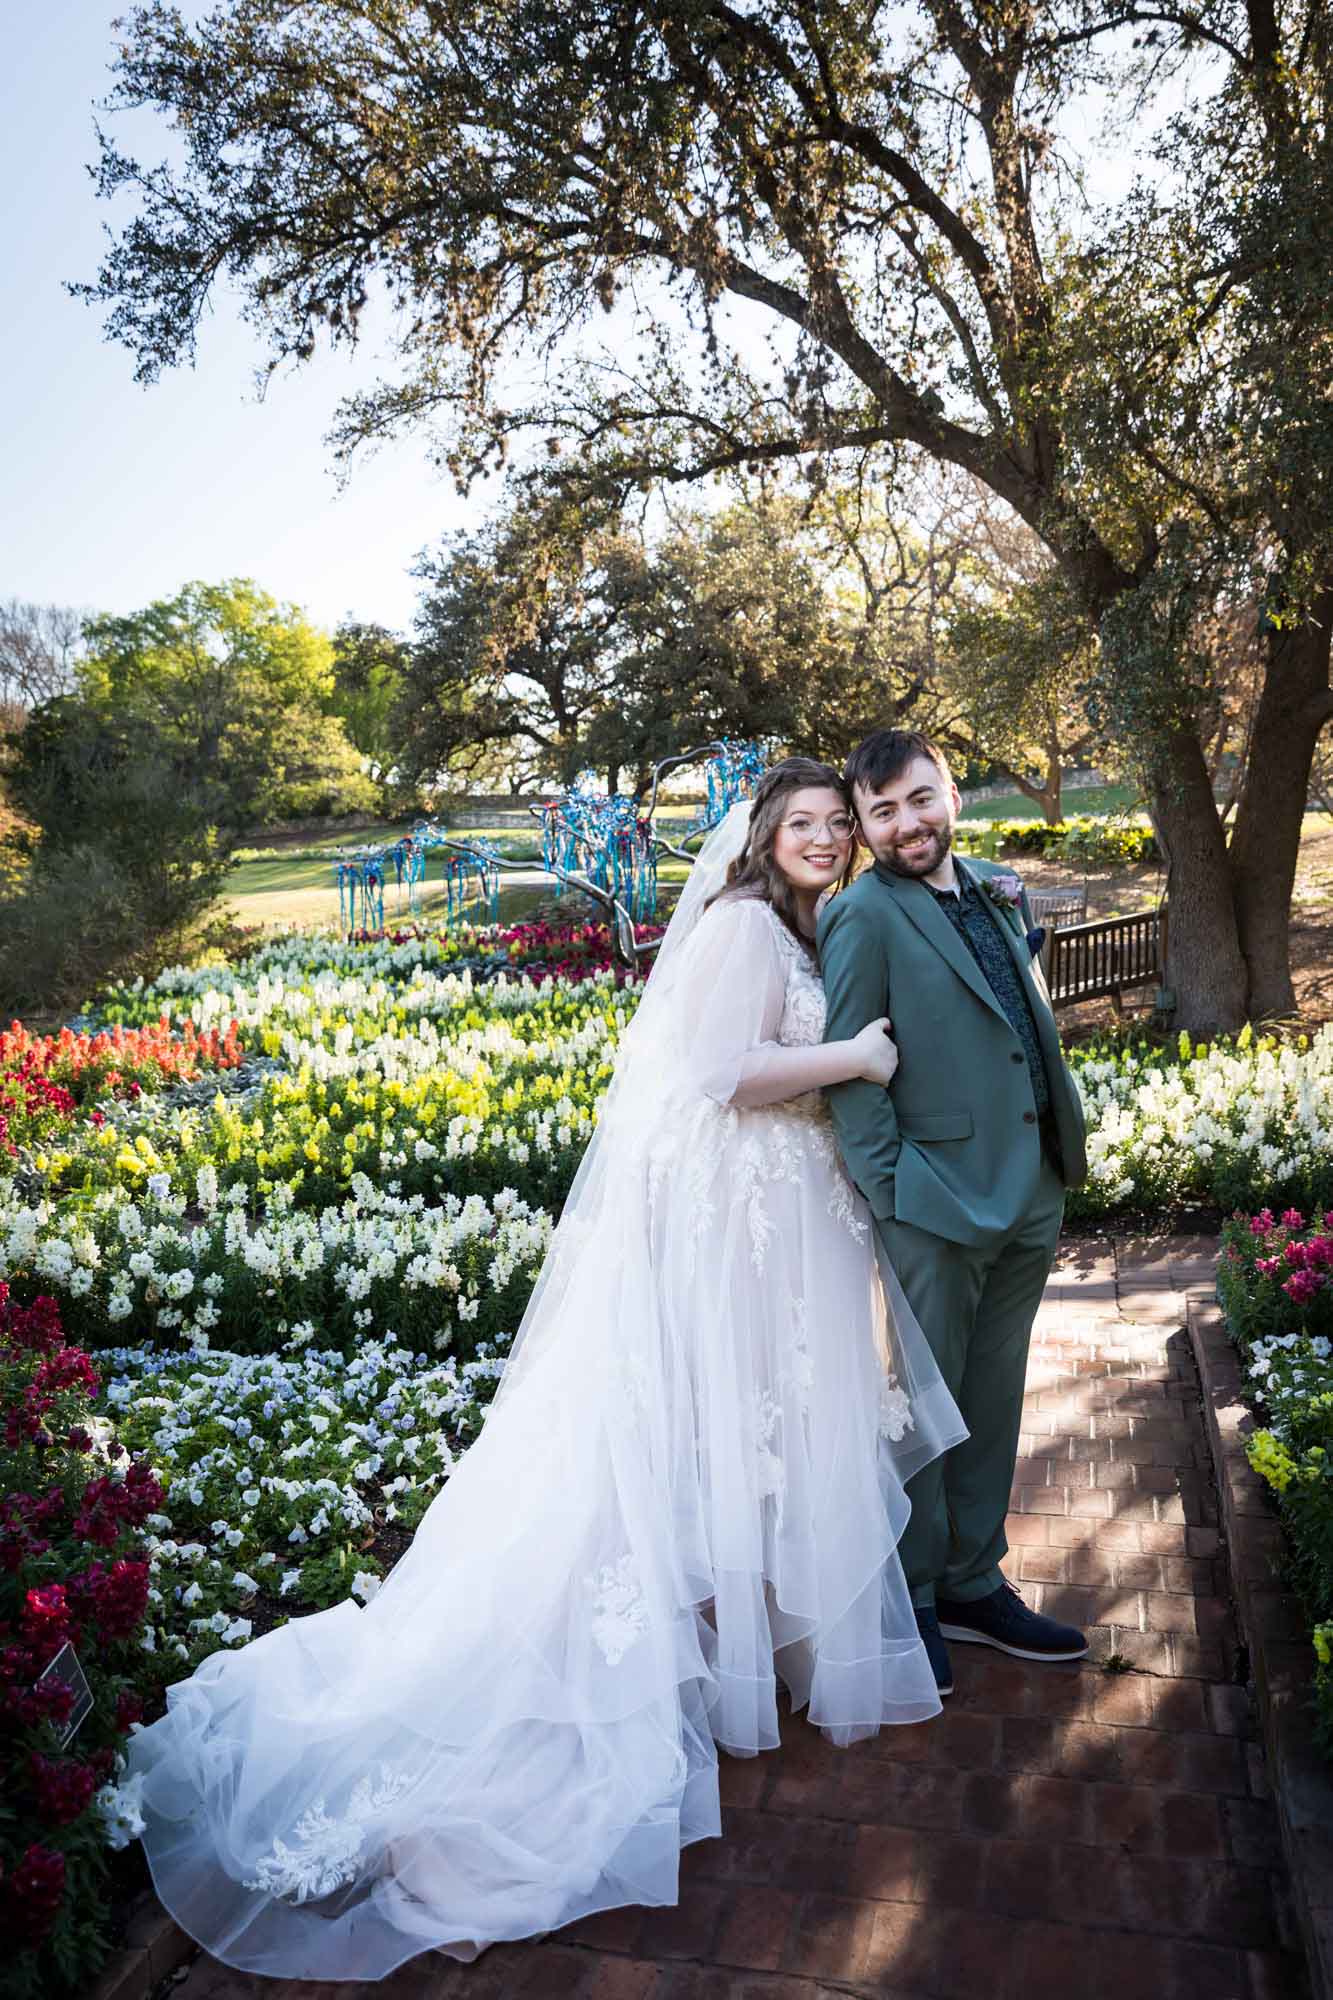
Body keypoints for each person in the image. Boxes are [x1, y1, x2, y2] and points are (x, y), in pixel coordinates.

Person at [125, 758, 965, 1983]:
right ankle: (681, 1671)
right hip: (741, 1230)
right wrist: (856, 1059)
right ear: (762, 837)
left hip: (787, 1228)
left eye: (840, 823)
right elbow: (722, 1074)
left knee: (761, 1441)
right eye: (807, 824)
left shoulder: (810, 923)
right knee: (720, 1437)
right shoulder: (738, 927)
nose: (829, 839)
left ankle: (748, 1645)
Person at [818, 729, 1090, 1697]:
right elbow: (851, 1071)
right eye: (881, 811)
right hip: (933, 1203)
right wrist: (896, 1194)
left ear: (952, 795)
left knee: (991, 1394)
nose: (905, 825)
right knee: (922, 1415)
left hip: (1030, 1187)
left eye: (919, 800)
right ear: (862, 826)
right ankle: (918, 1587)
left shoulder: (988, 887)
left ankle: (976, 1578)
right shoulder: (860, 917)